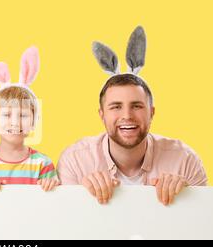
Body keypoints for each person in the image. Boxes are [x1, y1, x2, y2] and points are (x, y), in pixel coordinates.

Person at [58, 26, 207, 206]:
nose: (127, 116)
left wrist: (189, 198)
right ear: (102, 115)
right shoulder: (75, 161)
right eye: (116, 107)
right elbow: (66, 228)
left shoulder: (184, 161)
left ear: (151, 113)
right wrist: (78, 196)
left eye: (136, 106)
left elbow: (202, 229)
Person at [0, 46, 59, 193]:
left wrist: (49, 186)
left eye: (23, 115)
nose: (15, 122)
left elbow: (57, 201)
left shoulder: (42, 163)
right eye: (7, 115)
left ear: (34, 122)